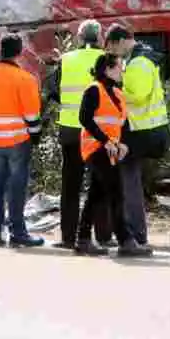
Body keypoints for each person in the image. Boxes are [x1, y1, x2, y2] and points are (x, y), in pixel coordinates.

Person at [0, 32, 44, 248]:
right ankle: (18, 233)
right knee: (16, 187)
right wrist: (36, 134)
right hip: (18, 141)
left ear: (0, 50)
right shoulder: (25, 79)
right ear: (19, 52)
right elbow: (32, 116)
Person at [77, 52, 152, 257]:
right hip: (96, 149)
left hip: (110, 150)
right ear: (108, 69)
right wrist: (106, 141)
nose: (123, 71)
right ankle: (125, 240)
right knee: (116, 193)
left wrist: (123, 144)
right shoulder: (94, 90)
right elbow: (85, 118)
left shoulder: (117, 94)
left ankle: (82, 239)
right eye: (119, 67)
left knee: (96, 195)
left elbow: (121, 123)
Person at [45, 19, 109, 249]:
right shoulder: (107, 60)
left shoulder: (67, 60)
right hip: (97, 131)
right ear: (99, 37)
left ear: (80, 38)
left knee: (70, 185)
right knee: (100, 183)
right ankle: (103, 235)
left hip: (71, 130)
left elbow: (52, 89)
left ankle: (68, 236)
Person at [108, 25, 170, 249]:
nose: (114, 53)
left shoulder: (138, 63)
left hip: (139, 131)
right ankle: (134, 231)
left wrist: (114, 88)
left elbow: (137, 96)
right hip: (145, 129)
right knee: (130, 181)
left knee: (129, 182)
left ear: (122, 41)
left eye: (113, 47)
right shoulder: (140, 59)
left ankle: (135, 234)